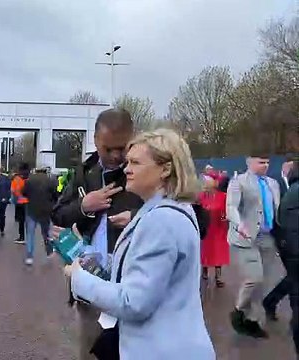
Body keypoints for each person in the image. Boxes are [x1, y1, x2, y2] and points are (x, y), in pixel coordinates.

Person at [64, 128, 215, 360]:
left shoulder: (161, 220)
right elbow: (145, 270)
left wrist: (79, 278)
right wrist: (92, 259)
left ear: (165, 169)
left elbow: (133, 302)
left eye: (135, 162)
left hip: (161, 350)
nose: (126, 169)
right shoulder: (167, 209)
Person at [51, 109, 143, 360]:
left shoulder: (146, 171)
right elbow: (58, 216)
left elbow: (189, 217)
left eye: (122, 148)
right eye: (108, 148)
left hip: (132, 284)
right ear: (95, 140)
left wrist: (137, 219)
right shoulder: (84, 172)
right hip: (91, 280)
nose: (116, 156)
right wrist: (84, 206)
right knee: (91, 351)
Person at [227, 154, 281, 338]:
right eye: (261, 162)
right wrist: (238, 223)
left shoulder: (273, 183)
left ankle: (253, 321)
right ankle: (238, 311)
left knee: (263, 282)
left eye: (267, 162)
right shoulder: (238, 182)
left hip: (267, 237)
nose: (265, 165)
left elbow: (276, 208)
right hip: (246, 238)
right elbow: (231, 207)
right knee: (254, 278)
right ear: (249, 162)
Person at [268, 161, 299, 354]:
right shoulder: (285, 189)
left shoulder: (292, 191)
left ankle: (270, 301)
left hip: (291, 251)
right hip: (292, 250)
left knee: (292, 283)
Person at [264, 155, 298, 321]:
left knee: (293, 276)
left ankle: (271, 301)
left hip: (293, 235)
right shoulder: (273, 182)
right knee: (294, 276)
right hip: (281, 236)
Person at [199, 171, 230, 287]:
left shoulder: (223, 196)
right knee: (205, 251)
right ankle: (204, 271)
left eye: (207, 180)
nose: (205, 183)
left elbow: (226, 211)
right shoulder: (200, 196)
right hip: (205, 229)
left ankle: (218, 276)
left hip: (219, 228)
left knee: (218, 252)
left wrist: (225, 219)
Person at [22, 167, 57, 265]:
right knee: (46, 233)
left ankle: (29, 256)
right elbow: (55, 195)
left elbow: (23, 193)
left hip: (32, 210)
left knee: (30, 234)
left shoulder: (29, 180)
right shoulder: (50, 180)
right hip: (46, 211)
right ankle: (49, 251)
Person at [11, 163, 30, 244]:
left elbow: (12, 190)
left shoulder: (17, 179)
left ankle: (22, 237)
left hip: (19, 202)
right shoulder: (30, 178)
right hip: (29, 202)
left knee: (21, 221)